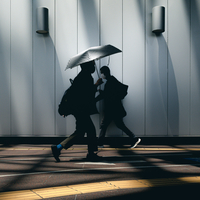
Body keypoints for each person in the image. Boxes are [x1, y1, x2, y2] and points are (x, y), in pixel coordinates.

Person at [51, 60, 103, 162]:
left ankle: (58, 148)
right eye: (93, 64)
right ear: (87, 67)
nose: (94, 66)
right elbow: (86, 95)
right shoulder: (86, 77)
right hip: (81, 109)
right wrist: (96, 85)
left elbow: (83, 92)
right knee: (90, 130)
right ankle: (90, 154)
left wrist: (95, 87)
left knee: (80, 133)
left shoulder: (82, 76)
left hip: (78, 109)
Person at [95, 66, 141, 148]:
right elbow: (109, 93)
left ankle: (100, 143)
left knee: (105, 125)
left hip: (112, 109)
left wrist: (96, 97)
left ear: (105, 73)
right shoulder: (111, 81)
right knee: (117, 125)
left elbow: (107, 95)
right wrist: (102, 91)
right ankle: (134, 138)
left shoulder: (110, 82)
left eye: (102, 72)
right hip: (114, 108)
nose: (101, 74)